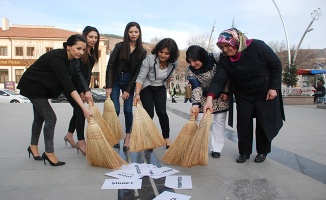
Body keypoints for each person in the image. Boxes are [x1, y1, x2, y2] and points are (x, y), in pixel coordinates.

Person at [204, 28, 285, 163]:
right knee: (243, 123)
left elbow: (276, 65)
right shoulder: (225, 59)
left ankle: (262, 151)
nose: (224, 50)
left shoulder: (257, 46)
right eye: (221, 47)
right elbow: (219, 79)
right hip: (243, 94)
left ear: (236, 41)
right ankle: (244, 152)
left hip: (264, 92)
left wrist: (273, 87)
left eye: (227, 45)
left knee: (263, 123)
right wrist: (209, 98)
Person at [17, 34, 93, 166]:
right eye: (78, 48)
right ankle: (49, 152)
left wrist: (84, 92)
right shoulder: (58, 58)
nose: (80, 52)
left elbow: (74, 80)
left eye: (83, 49)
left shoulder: (71, 60)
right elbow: (68, 85)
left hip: (42, 88)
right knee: (50, 117)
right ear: (68, 47)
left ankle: (33, 146)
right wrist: (84, 108)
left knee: (39, 118)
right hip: (33, 87)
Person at [105, 22, 147, 151]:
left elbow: (137, 73)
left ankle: (127, 138)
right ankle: (114, 136)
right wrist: (109, 86)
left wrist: (128, 90)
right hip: (116, 80)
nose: (133, 34)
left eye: (136, 32)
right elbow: (110, 66)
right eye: (131, 32)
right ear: (127, 33)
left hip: (130, 80)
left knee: (128, 111)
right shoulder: (119, 46)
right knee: (115, 110)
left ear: (139, 33)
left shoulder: (142, 51)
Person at [133, 38, 179, 149]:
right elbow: (140, 78)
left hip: (160, 88)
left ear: (171, 54)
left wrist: (166, 89)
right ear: (157, 50)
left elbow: (169, 77)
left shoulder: (174, 63)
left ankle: (166, 137)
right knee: (149, 113)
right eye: (161, 52)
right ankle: (149, 138)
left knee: (162, 112)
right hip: (147, 87)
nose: (163, 55)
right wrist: (137, 94)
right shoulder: (149, 59)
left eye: (167, 53)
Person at [186, 45, 229, 158]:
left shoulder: (216, 58)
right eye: (189, 61)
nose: (192, 64)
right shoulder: (190, 71)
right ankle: (199, 146)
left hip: (221, 95)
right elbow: (196, 87)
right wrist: (195, 104)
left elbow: (227, 74)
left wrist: (226, 91)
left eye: (195, 60)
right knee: (200, 119)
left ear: (202, 56)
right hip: (203, 96)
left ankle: (216, 148)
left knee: (219, 121)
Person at [63, 26, 100, 156]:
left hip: (81, 87)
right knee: (80, 111)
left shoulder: (92, 53)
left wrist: (85, 90)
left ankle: (69, 135)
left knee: (77, 111)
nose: (93, 40)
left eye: (96, 37)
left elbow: (87, 74)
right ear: (85, 36)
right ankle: (81, 141)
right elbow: (76, 72)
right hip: (71, 86)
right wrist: (84, 89)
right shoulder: (79, 52)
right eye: (90, 37)